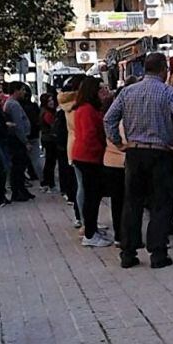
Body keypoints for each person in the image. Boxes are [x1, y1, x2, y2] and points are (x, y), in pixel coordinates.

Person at [104, 53, 173, 269]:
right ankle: (158, 253)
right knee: (160, 203)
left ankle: (128, 252)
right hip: (161, 153)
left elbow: (109, 118)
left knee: (132, 203)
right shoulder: (169, 93)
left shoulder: (127, 92)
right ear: (163, 69)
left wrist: (118, 142)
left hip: (134, 153)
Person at [71, 77, 112, 248]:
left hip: (85, 156)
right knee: (91, 197)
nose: (104, 92)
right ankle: (90, 234)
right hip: (89, 157)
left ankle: (92, 229)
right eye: (101, 89)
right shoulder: (87, 110)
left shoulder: (85, 108)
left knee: (92, 195)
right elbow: (90, 136)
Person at [59, 74, 87, 227]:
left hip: (73, 145)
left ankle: (82, 218)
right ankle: (84, 219)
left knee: (80, 185)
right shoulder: (78, 106)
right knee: (82, 186)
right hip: (80, 147)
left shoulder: (68, 104)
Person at [4, 82, 35, 202]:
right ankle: (17, 191)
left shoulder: (13, 103)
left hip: (16, 139)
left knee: (20, 166)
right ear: (16, 91)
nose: (24, 92)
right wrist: (25, 141)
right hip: (17, 140)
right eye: (22, 90)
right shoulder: (13, 105)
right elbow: (18, 125)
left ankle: (21, 190)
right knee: (18, 166)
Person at [21, 86, 42, 183]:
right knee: (35, 157)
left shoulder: (20, 106)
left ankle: (31, 173)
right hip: (34, 134)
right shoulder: (33, 106)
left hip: (24, 135)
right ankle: (38, 175)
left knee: (25, 158)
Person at [39, 93, 58, 191]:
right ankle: (48, 181)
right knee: (50, 161)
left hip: (47, 138)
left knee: (50, 161)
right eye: (49, 101)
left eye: (52, 100)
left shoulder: (45, 111)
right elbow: (53, 126)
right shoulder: (47, 113)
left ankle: (47, 181)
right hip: (50, 139)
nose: (52, 102)